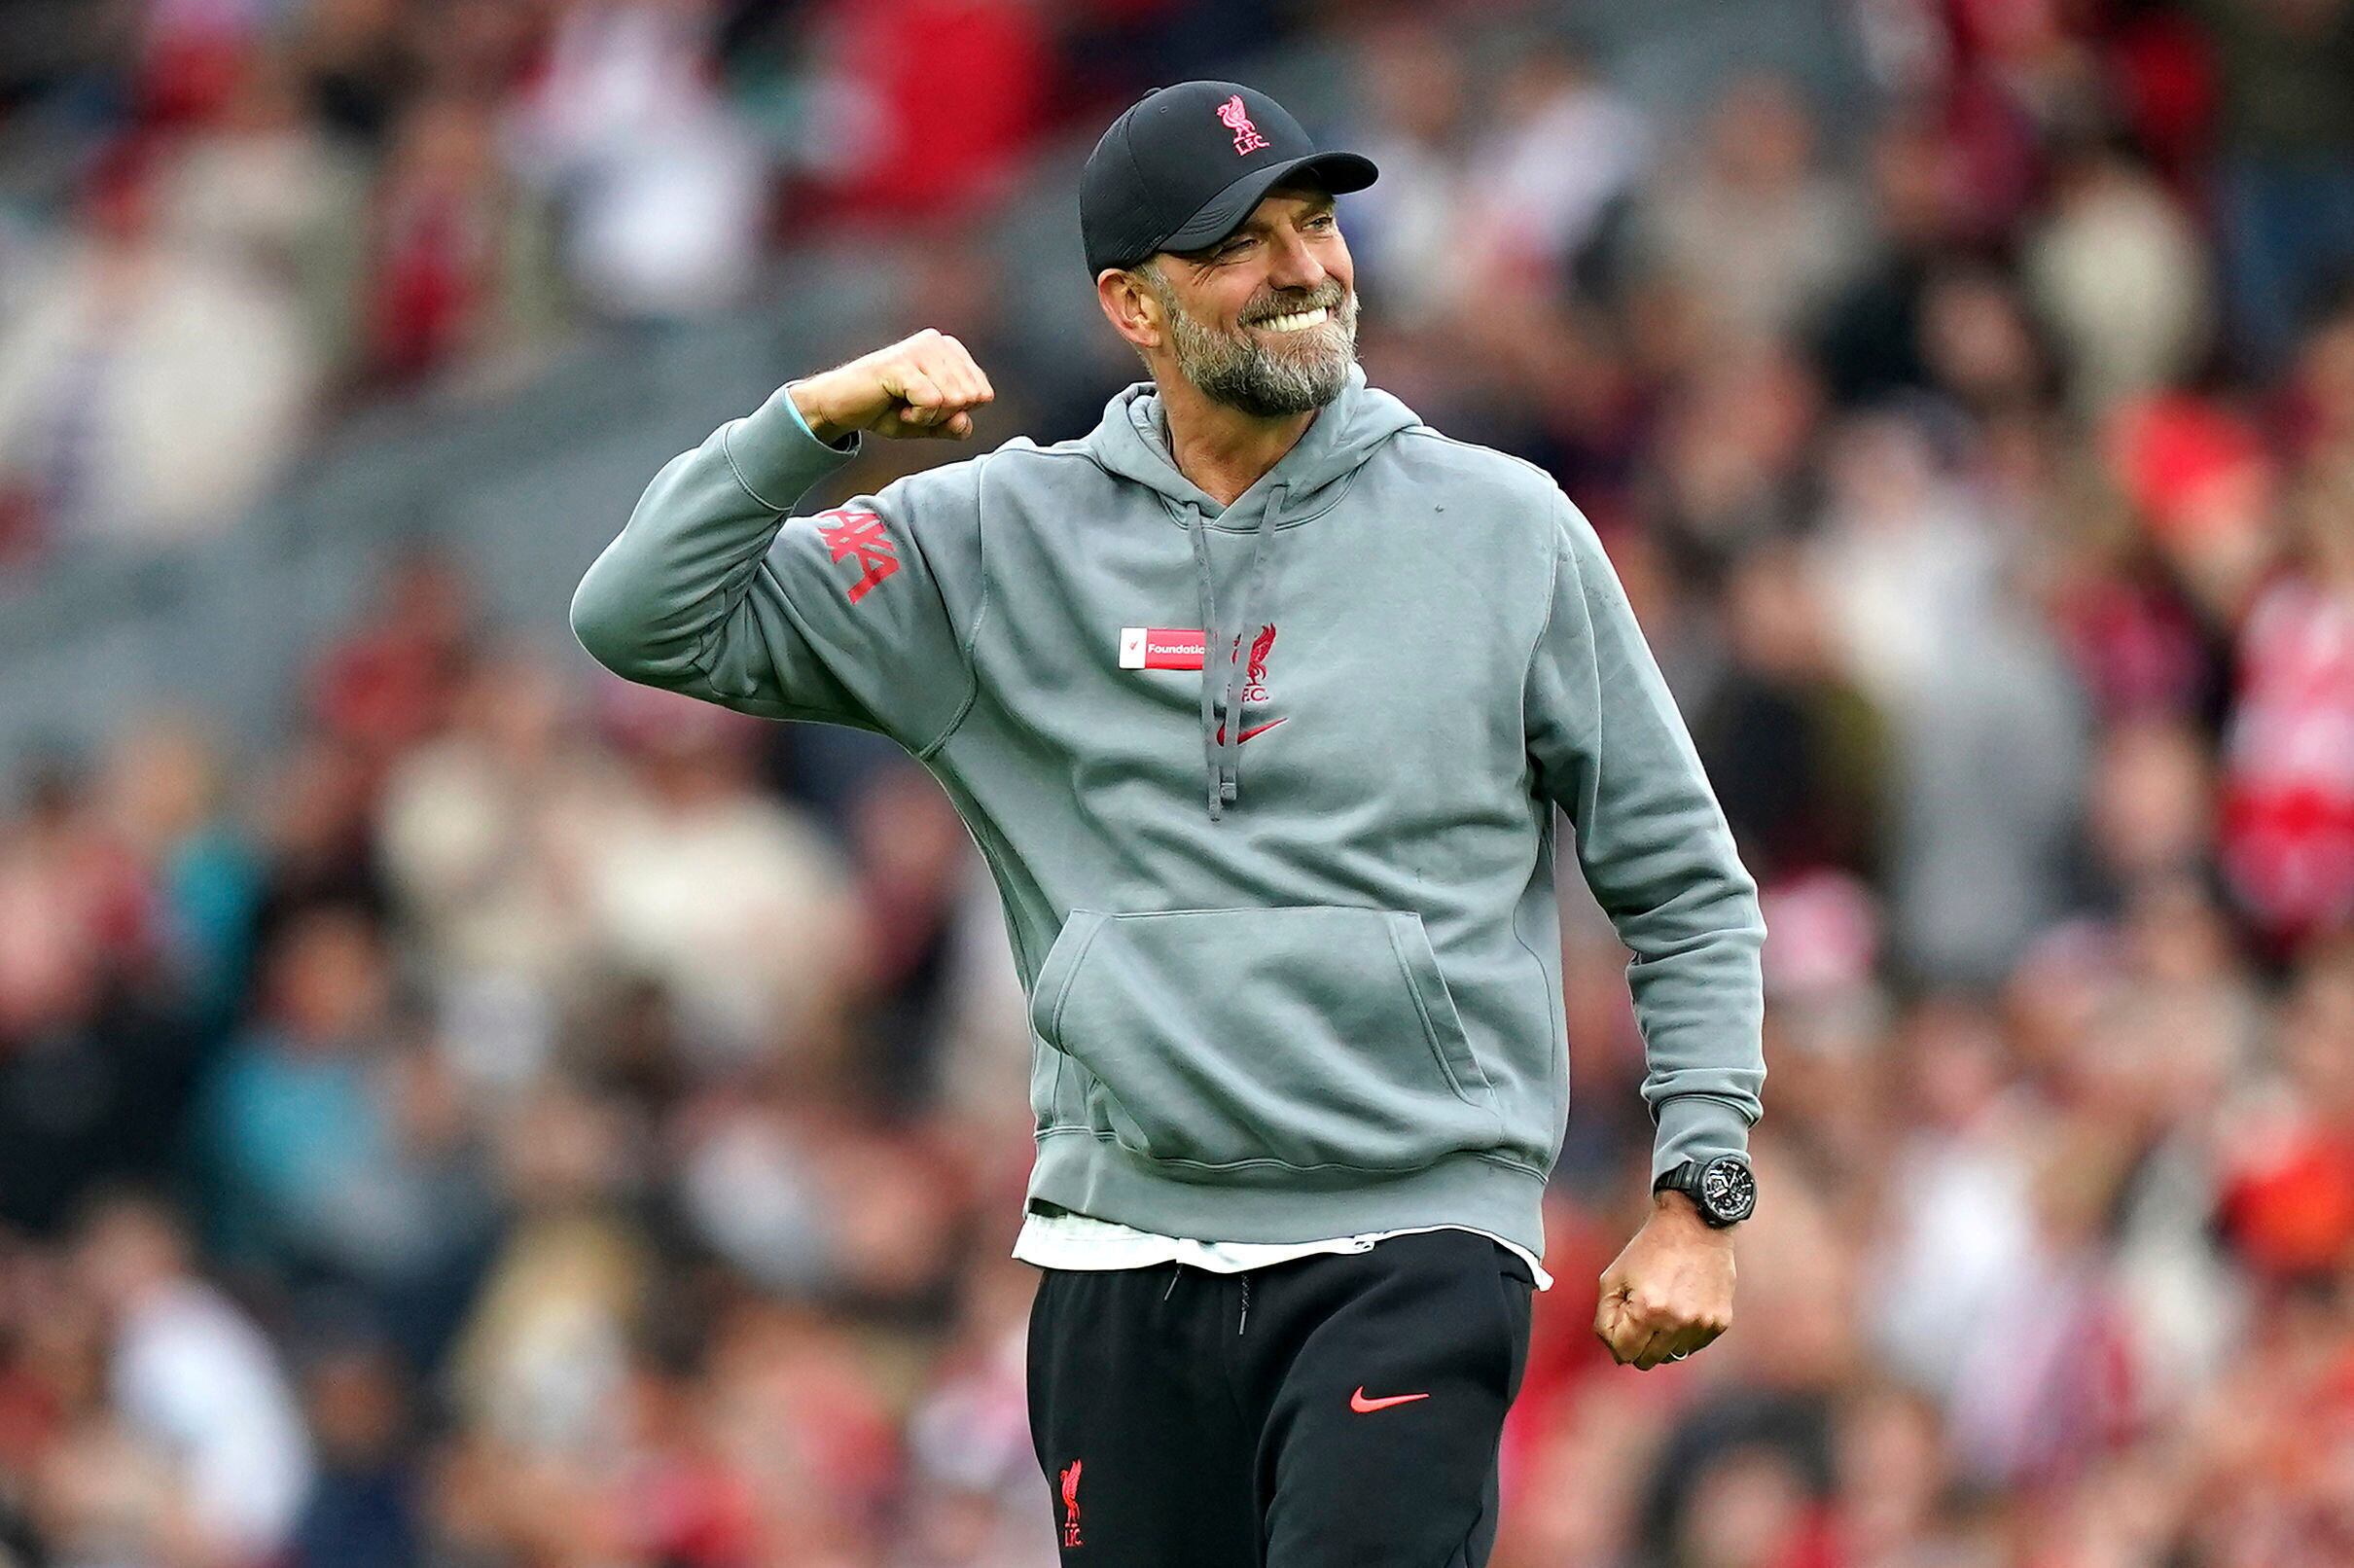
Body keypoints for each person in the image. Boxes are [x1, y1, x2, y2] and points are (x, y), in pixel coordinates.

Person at [573, 80, 1765, 1568]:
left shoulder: (1507, 528)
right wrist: (819, 419)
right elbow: (642, 616)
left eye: (1316, 223)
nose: (1306, 268)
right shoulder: (999, 538)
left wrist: (1700, 1185)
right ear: (1132, 305)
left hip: (1411, 1233)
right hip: (1118, 1255)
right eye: (1242, 244)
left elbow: (1682, 885)